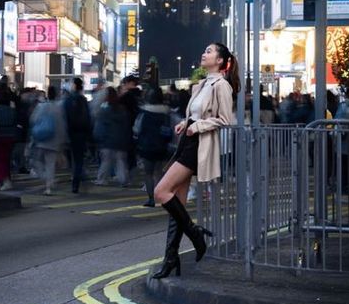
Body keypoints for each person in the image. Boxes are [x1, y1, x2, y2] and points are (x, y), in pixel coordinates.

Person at [152, 42, 240, 279]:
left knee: (161, 192)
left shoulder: (222, 86)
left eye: (210, 51)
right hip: (187, 141)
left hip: (198, 146)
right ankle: (171, 258)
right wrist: (186, 122)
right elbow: (196, 114)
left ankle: (196, 234)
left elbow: (225, 120)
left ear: (220, 61)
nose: (204, 53)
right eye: (205, 50)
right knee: (176, 204)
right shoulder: (202, 84)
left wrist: (197, 126)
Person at [134, 87, 171, 207]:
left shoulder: (144, 112)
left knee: (148, 173)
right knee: (159, 172)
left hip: (146, 146)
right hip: (161, 146)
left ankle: (151, 199)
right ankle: (160, 196)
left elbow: (137, 129)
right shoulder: (166, 113)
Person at [30, 86, 68, 195]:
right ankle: (49, 186)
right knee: (50, 164)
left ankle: (46, 178)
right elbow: (62, 125)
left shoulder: (41, 106)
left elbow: (33, 119)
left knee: (36, 161)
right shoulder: (59, 107)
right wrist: (62, 140)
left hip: (41, 138)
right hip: (54, 141)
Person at [93, 86, 131, 187]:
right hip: (121, 139)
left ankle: (102, 179)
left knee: (106, 161)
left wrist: (98, 138)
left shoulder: (104, 110)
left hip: (107, 140)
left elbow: (100, 127)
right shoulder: (122, 110)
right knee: (121, 161)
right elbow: (127, 125)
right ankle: (124, 180)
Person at [64, 77, 91, 193]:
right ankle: (78, 180)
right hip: (81, 133)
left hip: (70, 133)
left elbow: (64, 117)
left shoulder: (69, 100)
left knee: (73, 158)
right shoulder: (83, 100)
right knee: (79, 159)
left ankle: (77, 178)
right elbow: (88, 118)